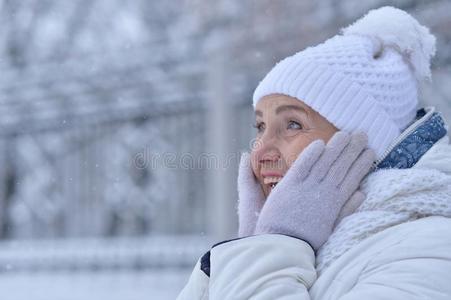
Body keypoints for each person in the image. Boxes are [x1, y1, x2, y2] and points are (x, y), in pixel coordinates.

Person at [177, 6, 451, 299]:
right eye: (260, 127)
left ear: (362, 144)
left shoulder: (427, 249)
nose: (261, 151)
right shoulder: (294, 242)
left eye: (293, 124)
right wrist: (259, 243)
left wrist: (271, 246)